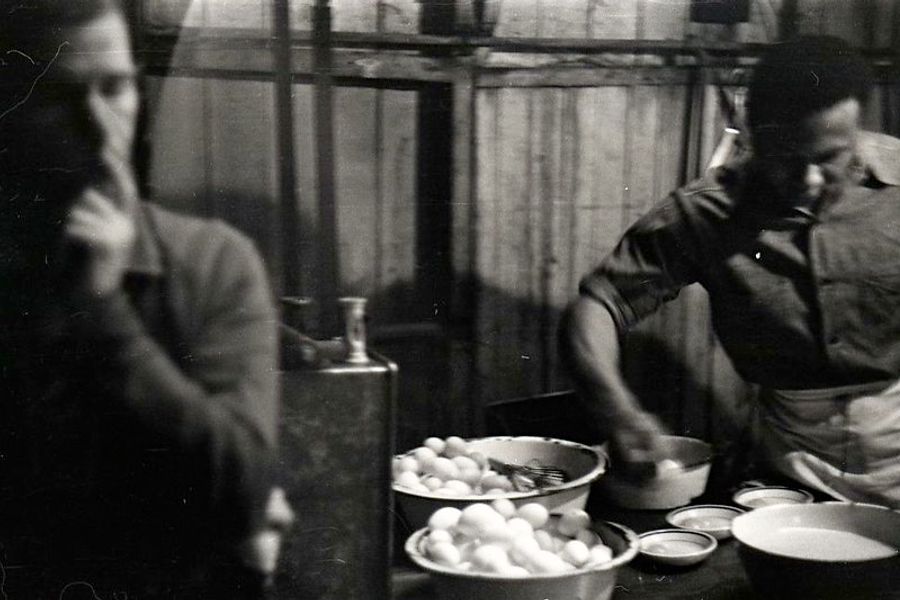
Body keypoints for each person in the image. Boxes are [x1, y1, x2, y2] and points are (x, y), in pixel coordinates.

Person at [0, 1, 285, 596]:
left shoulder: (213, 264)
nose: (102, 129)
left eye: (117, 88)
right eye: (61, 98)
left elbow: (241, 489)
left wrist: (104, 314)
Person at [561, 35, 900, 509]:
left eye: (829, 158)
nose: (809, 182)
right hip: (791, 460)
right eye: (787, 160)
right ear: (754, 140)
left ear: (858, 131)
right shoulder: (707, 211)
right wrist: (617, 412)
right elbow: (599, 306)